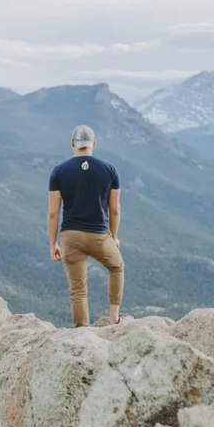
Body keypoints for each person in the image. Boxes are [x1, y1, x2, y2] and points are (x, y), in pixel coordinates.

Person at [48, 125, 125, 327]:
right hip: (100, 235)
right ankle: (115, 319)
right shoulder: (109, 170)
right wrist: (114, 236)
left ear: (73, 143)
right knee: (116, 268)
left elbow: (53, 213)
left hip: (70, 236)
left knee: (78, 289)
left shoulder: (59, 171)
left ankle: (82, 333)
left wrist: (53, 244)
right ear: (94, 144)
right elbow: (115, 209)